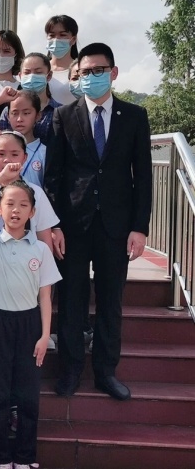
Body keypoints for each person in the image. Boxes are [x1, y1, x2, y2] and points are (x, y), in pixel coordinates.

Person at [45, 42, 152, 401]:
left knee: (110, 301)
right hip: (73, 225)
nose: (91, 77)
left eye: (98, 71)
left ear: (113, 72)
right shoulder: (65, 116)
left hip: (116, 226)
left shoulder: (134, 116)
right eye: (85, 72)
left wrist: (139, 227)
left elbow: (143, 176)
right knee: (71, 300)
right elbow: (54, 176)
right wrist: (54, 225)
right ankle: (70, 370)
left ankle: (106, 372)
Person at [0, 163, 61, 469]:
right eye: (9, 204)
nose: (16, 210)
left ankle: (25, 456)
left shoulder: (41, 250)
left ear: (33, 212)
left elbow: (45, 296)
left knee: (28, 395)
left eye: (23, 205)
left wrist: (44, 335)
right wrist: (1, 178)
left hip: (30, 324)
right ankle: (0, 456)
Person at [0, 53, 61, 146]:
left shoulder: (59, 112)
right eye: (27, 72)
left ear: (49, 76)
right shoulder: (9, 110)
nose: (32, 76)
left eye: (38, 72)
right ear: (20, 76)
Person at [45, 15, 80, 105]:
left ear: (73, 39)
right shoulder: (38, 69)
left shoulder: (82, 70)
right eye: (52, 35)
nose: (56, 39)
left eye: (62, 35)